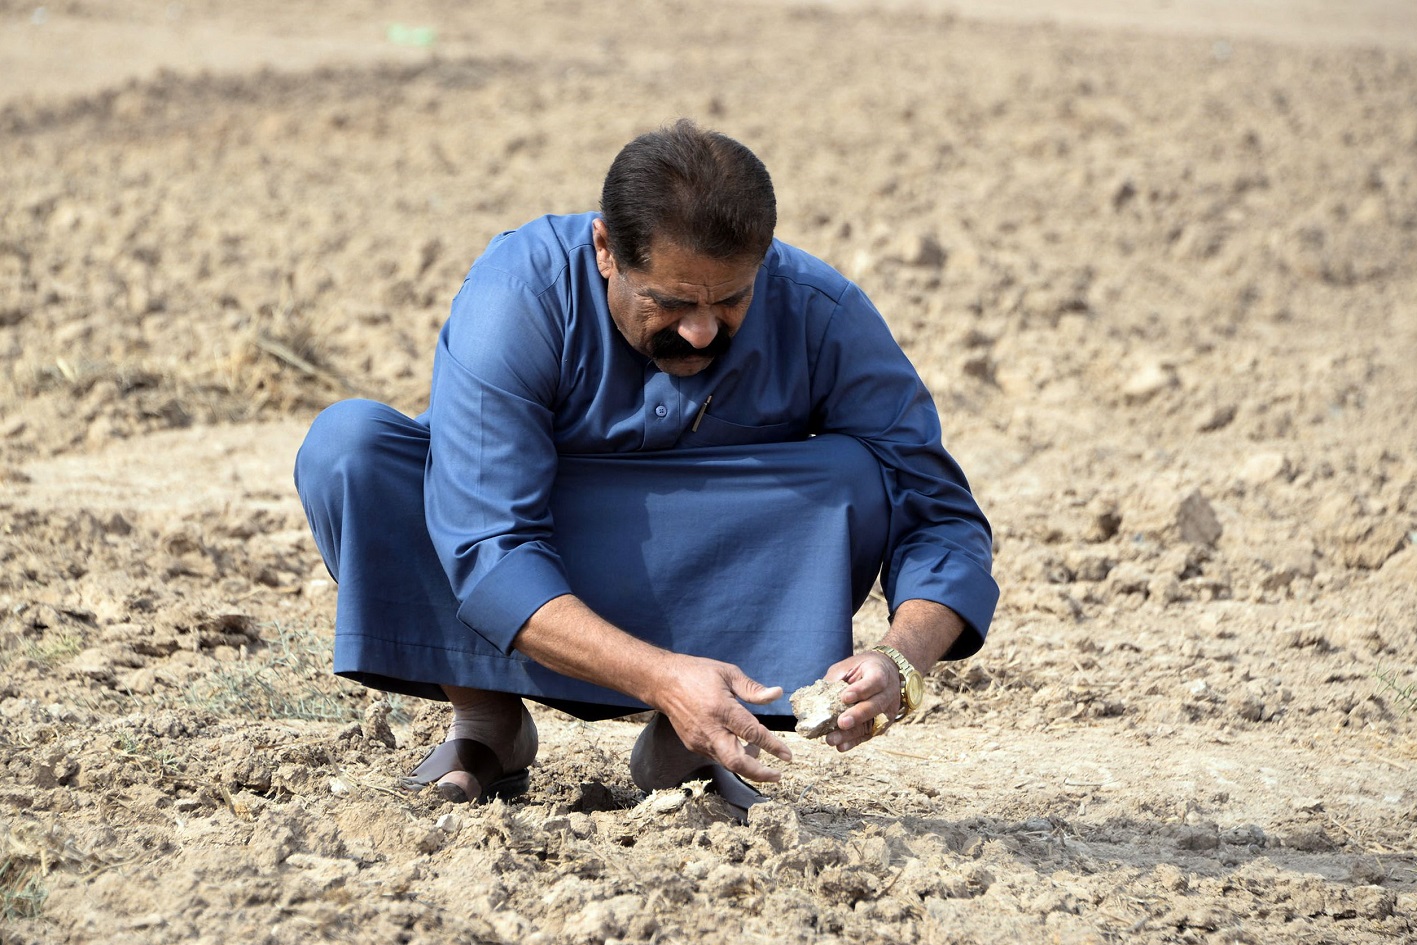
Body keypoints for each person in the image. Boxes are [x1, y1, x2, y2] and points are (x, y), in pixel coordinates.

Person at [294, 119, 998, 818]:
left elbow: (937, 512)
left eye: (730, 300)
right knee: (350, 451)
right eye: (672, 302)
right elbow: (489, 544)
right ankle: (487, 724)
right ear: (605, 249)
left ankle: (692, 743)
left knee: (854, 477)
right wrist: (663, 677)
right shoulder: (517, 297)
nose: (702, 330)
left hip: (704, 565)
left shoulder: (821, 309)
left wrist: (902, 661)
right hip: (528, 553)